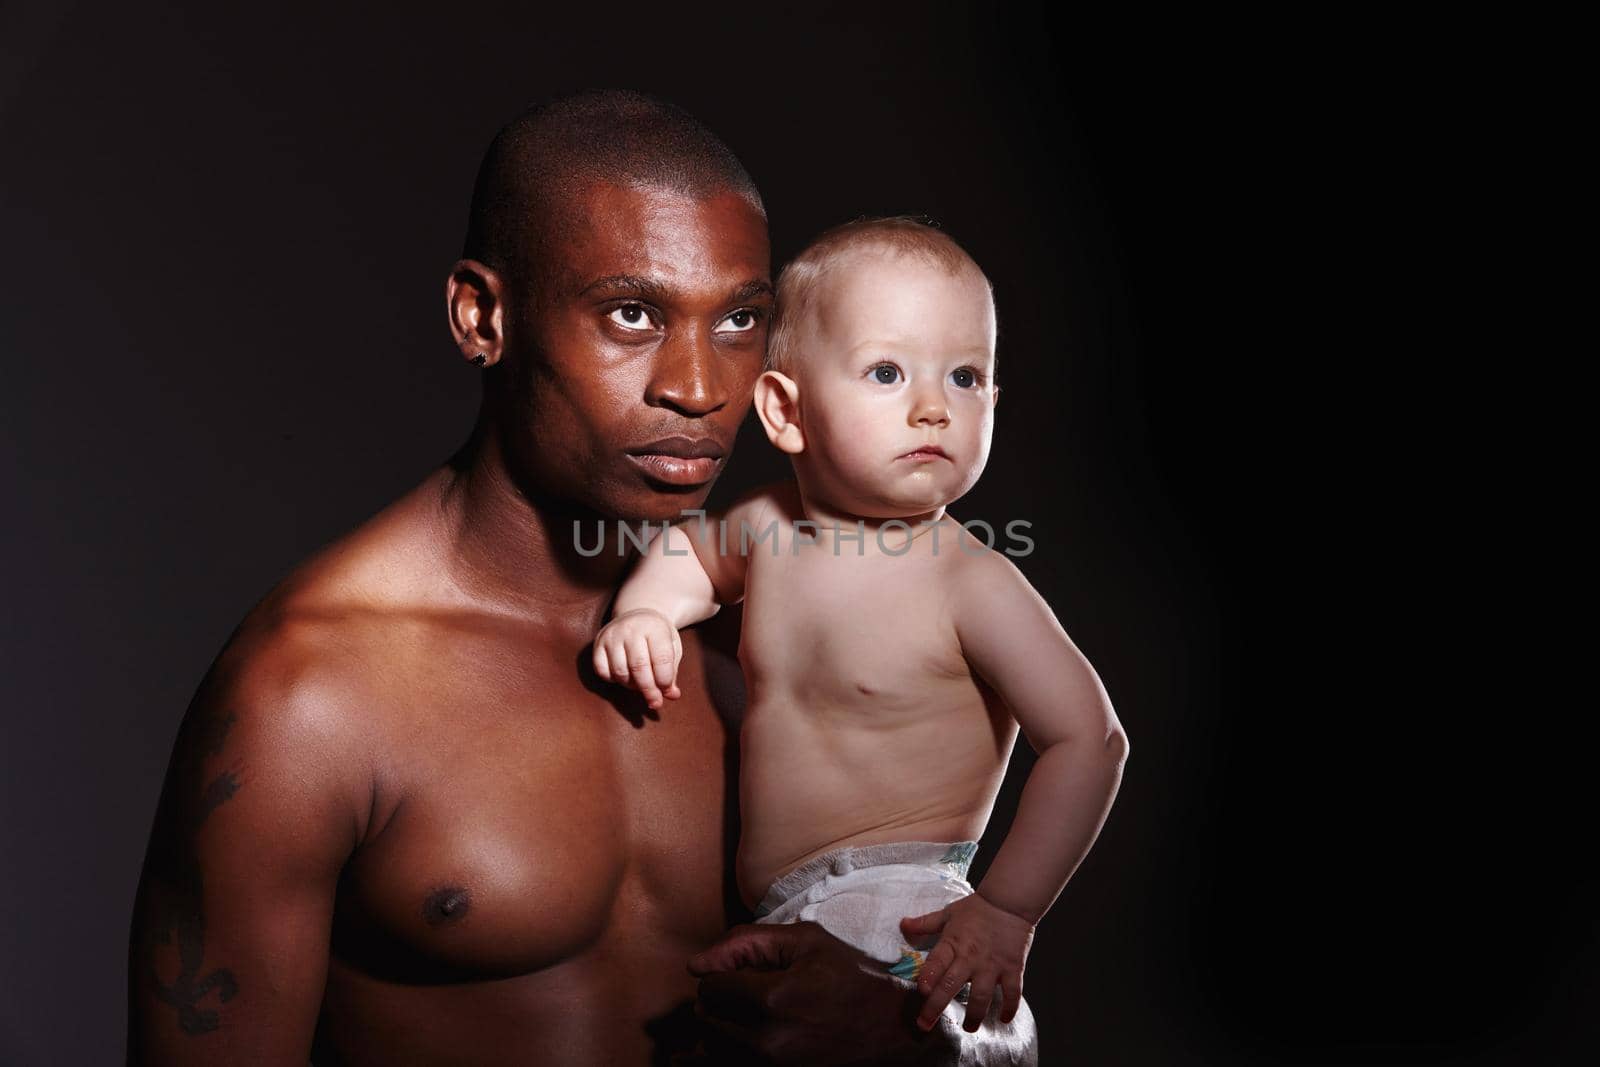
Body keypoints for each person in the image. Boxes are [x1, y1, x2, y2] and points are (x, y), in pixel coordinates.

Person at [126, 90, 1035, 1065]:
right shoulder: (311, 696)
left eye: (738, 321)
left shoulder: (784, 620)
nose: (696, 387)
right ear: (483, 315)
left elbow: (974, 976)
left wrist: (931, 1037)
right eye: (632, 314)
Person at [592, 218, 1129, 1036]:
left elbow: (1091, 740)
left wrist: (1008, 910)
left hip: (910, 916)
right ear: (785, 411)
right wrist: (648, 611)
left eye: (966, 376)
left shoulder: (970, 579)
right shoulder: (769, 529)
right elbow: (692, 554)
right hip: (783, 911)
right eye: (887, 371)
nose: (932, 408)